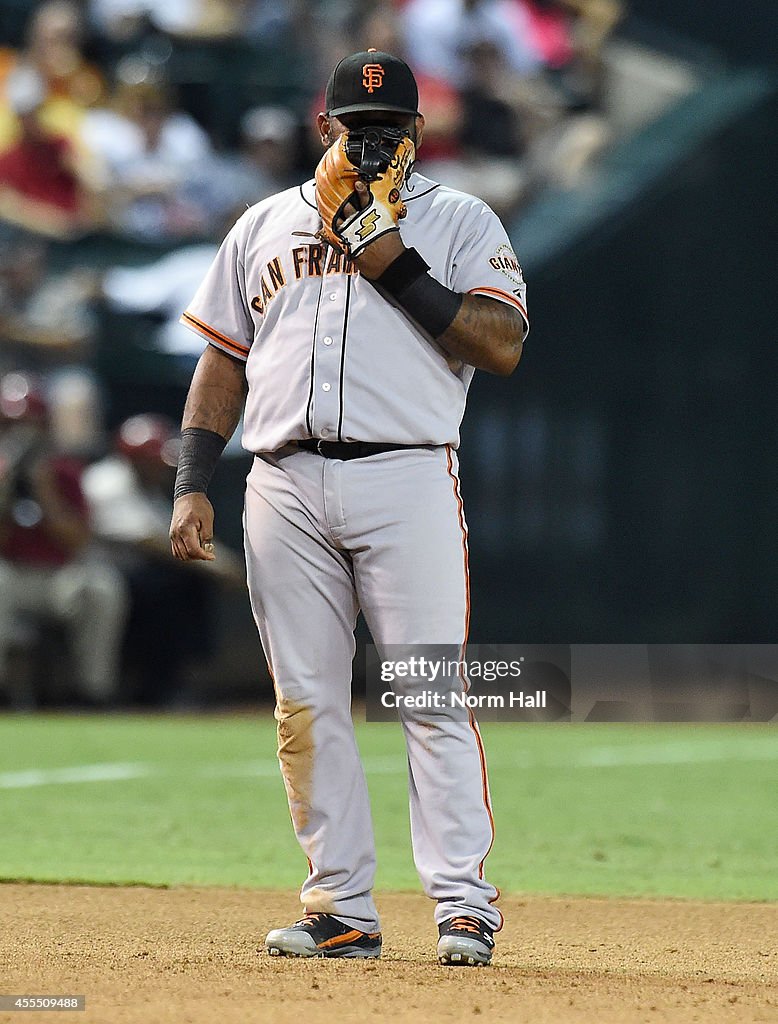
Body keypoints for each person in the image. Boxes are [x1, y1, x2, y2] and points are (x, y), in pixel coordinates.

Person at [169, 50, 528, 966]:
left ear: (417, 133)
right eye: (355, 126)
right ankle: (340, 907)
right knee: (307, 703)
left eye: (390, 128)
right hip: (281, 482)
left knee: (428, 695)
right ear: (323, 126)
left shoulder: (456, 219)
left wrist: (389, 259)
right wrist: (191, 481)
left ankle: (462, 905)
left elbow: (501, 344)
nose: (371, 142)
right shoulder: (262, 225)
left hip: (404, 474)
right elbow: (223, 359)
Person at [0, 371, 126, 705]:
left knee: (100, 588)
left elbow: (78, 541)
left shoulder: (63, 472)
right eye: (11, 426)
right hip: (11, 574)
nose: (20, 436)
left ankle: (91, 694)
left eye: (29, 425)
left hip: (56, 578)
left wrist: (45, 489)